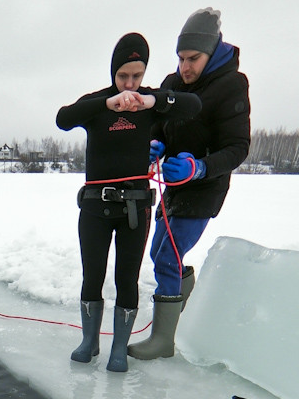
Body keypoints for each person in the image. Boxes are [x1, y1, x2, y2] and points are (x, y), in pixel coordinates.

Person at [56, 33, 201, 372]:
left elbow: (193, 107)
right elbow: (63, 118)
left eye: (137, 76)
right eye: (123, 76)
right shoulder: (98, 103)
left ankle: (118, 347)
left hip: (134, 209)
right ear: (113, 72)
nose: (130, 84)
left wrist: (152, 102)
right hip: (95, 206)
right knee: (92, 276)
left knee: (127, 277)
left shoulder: (150, 103)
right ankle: (89, 341)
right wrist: (107, 104)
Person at [128, 8, 251, 360]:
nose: (185, 66)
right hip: (174, 184)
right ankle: (182, 293)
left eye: (193, 58)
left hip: (205, 186)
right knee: (157, 252)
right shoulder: (172, 85)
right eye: (181, 58)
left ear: (212, 52)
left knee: (167, 256)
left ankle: (162, 341)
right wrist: (155, 143)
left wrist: (200, 168)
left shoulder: (231, 85)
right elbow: (158, 123)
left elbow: (238, 147)